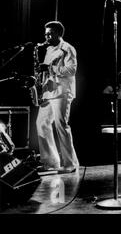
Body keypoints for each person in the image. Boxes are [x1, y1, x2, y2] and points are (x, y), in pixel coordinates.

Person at [35, 21, 79, 174]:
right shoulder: (48, 50)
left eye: (50, 33)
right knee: (41, 124)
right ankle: (51, 162)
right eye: (45, 33)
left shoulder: (67, 48)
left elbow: (71, 69)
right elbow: (47, 72)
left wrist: (50, 68)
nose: (46, 36)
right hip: (49, 91)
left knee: (61, 126)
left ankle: (70, 164)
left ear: (59, 33)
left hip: (62, 91)